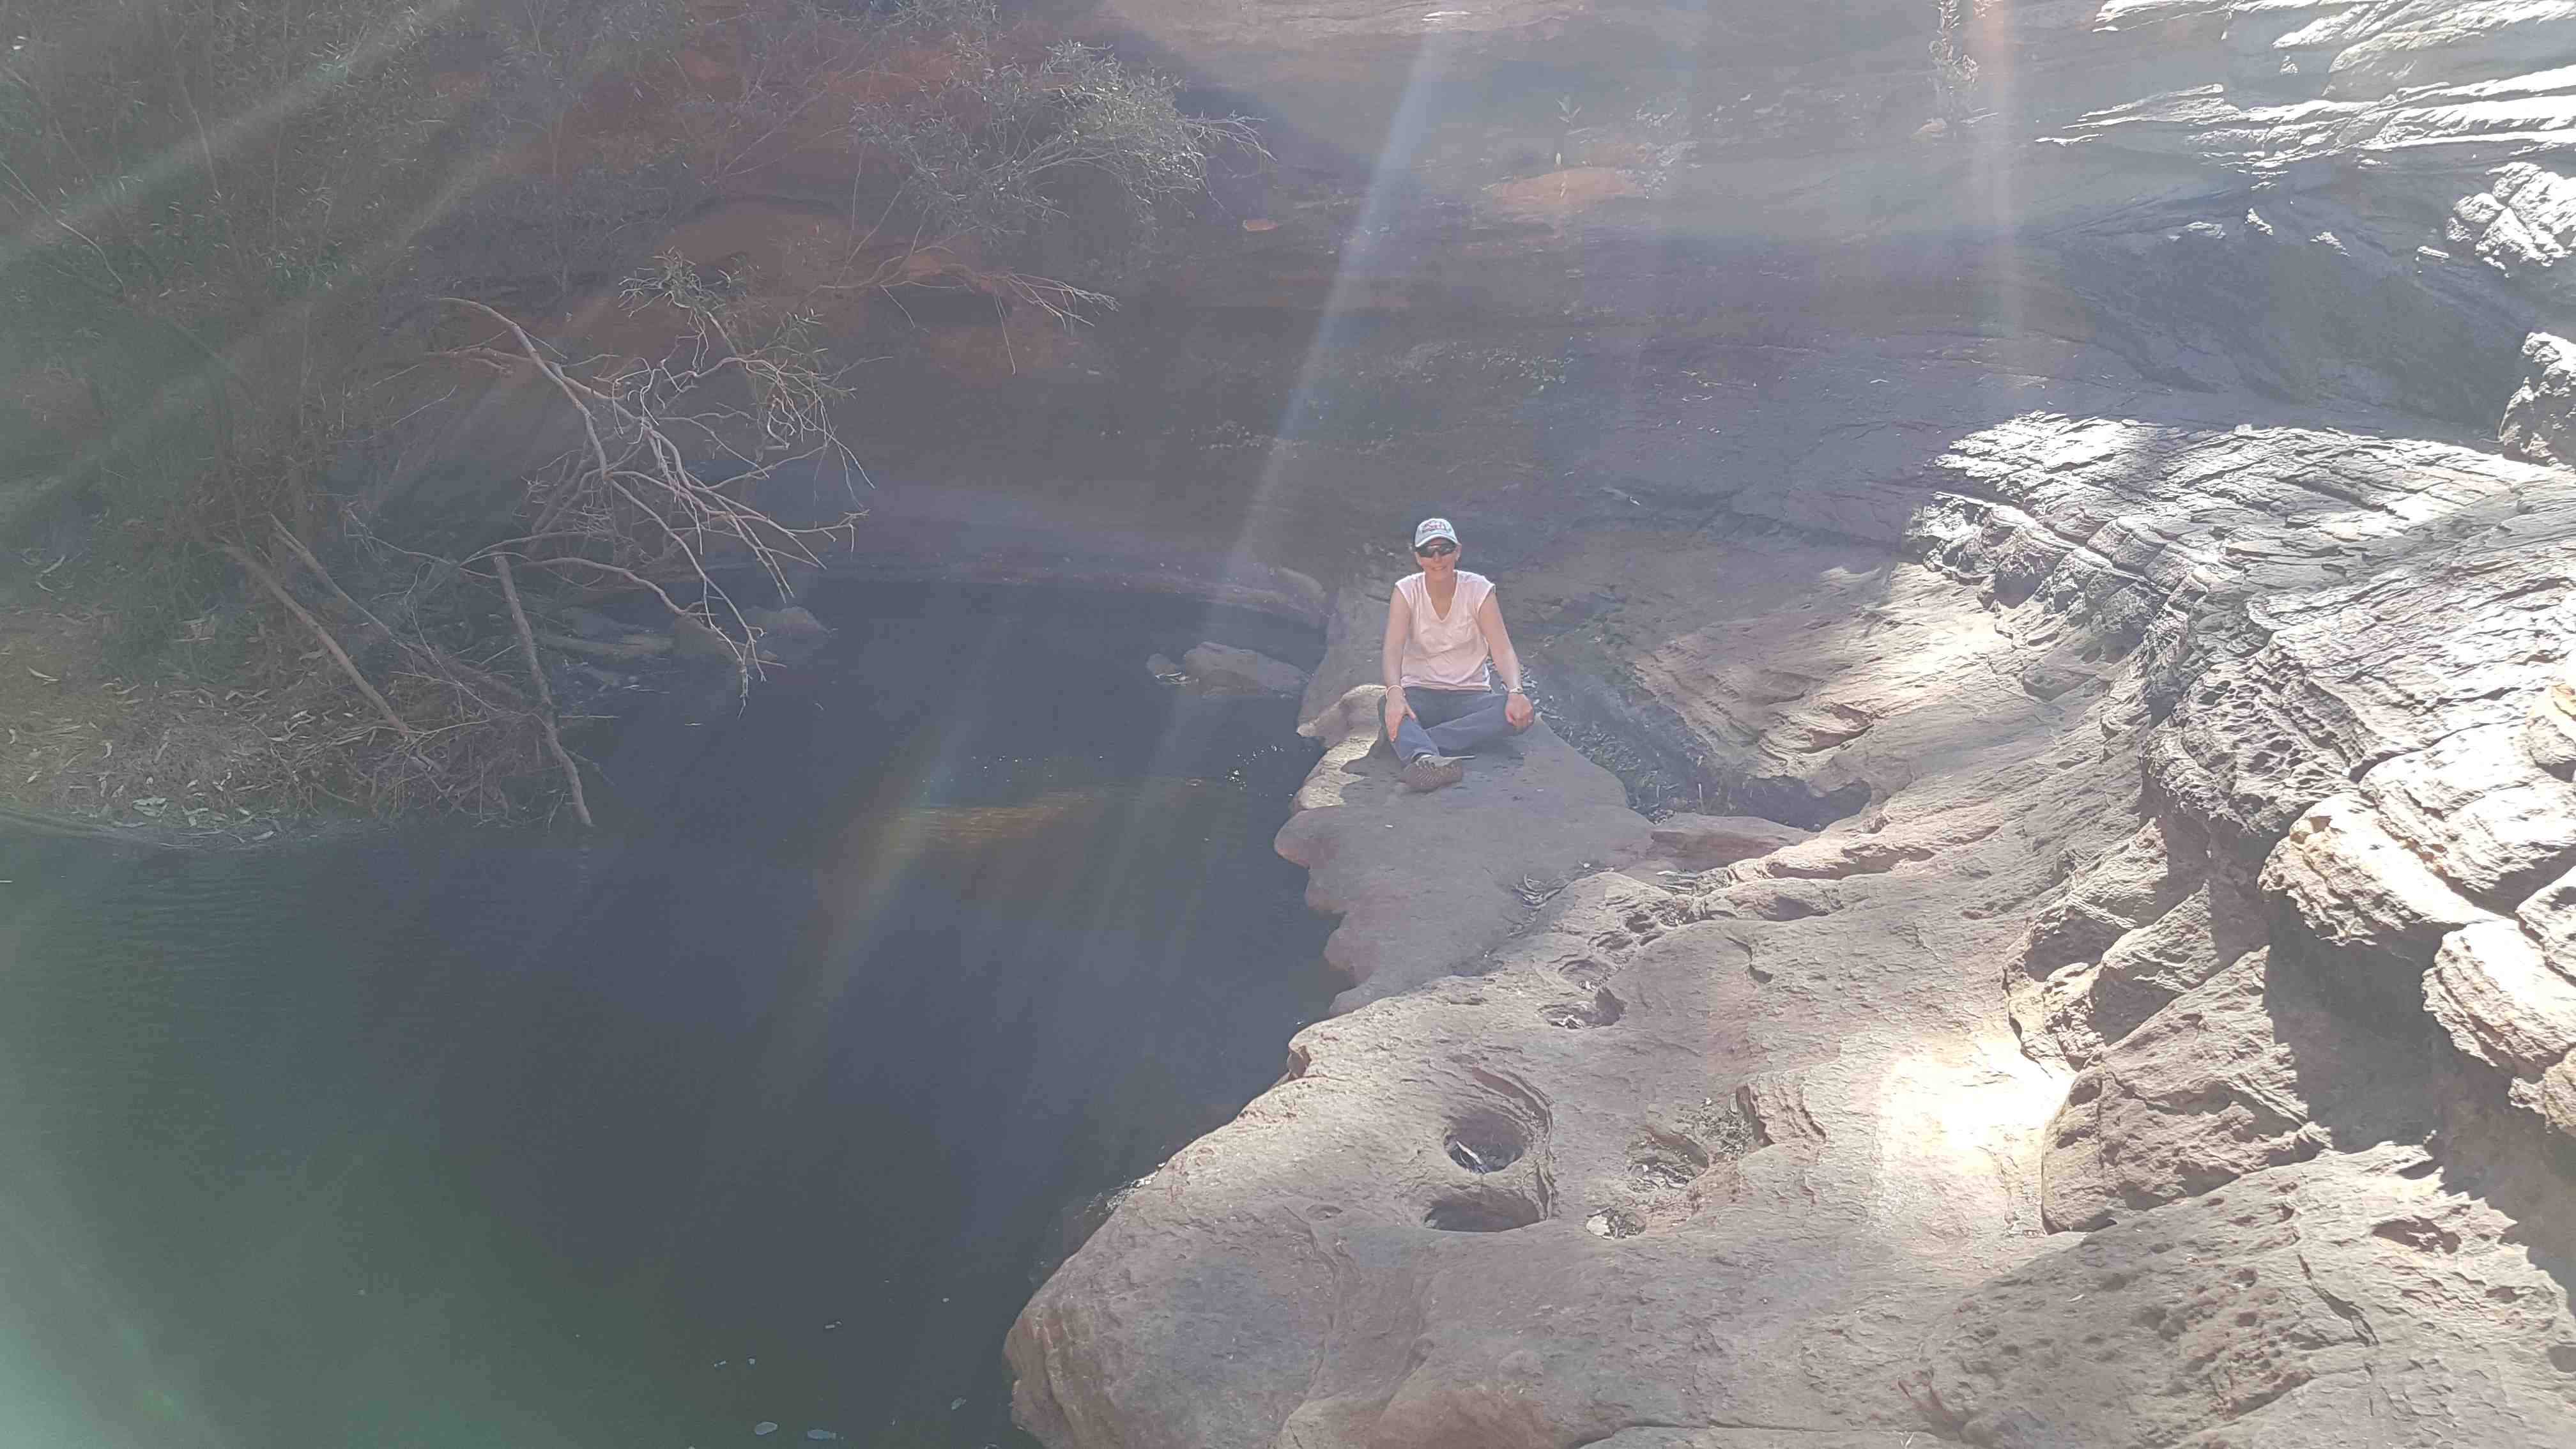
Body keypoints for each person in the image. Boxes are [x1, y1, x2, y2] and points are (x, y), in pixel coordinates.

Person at [1381, 516, 1536, 792]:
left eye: (1445, 549)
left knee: (1514, 713)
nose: (1437, 558)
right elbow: (1393, 648)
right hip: (1420, 693)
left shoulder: (1479, 589)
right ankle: (1427, 759)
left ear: (1458, 551)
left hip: (1471, 696)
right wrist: (1395, 693)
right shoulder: (1406, 590)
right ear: (1418, 557)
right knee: (1387, 704)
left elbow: (1501, 646)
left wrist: (1515, 691)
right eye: (1428, 551)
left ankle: (1417, 744)